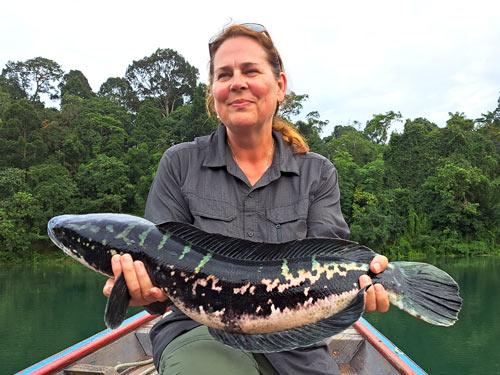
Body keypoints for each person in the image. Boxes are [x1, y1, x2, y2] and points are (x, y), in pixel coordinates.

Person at [103, 23, 389, 375]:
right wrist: (144, 291)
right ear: (214, 93)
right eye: (224, 74)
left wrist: (362, 287)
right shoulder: (179, 164)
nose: (236, 81)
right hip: (200, 332)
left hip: (297, 342)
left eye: (250, 71)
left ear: (280, 86)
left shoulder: (318, 173)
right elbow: (159, 270)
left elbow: (328, 263)